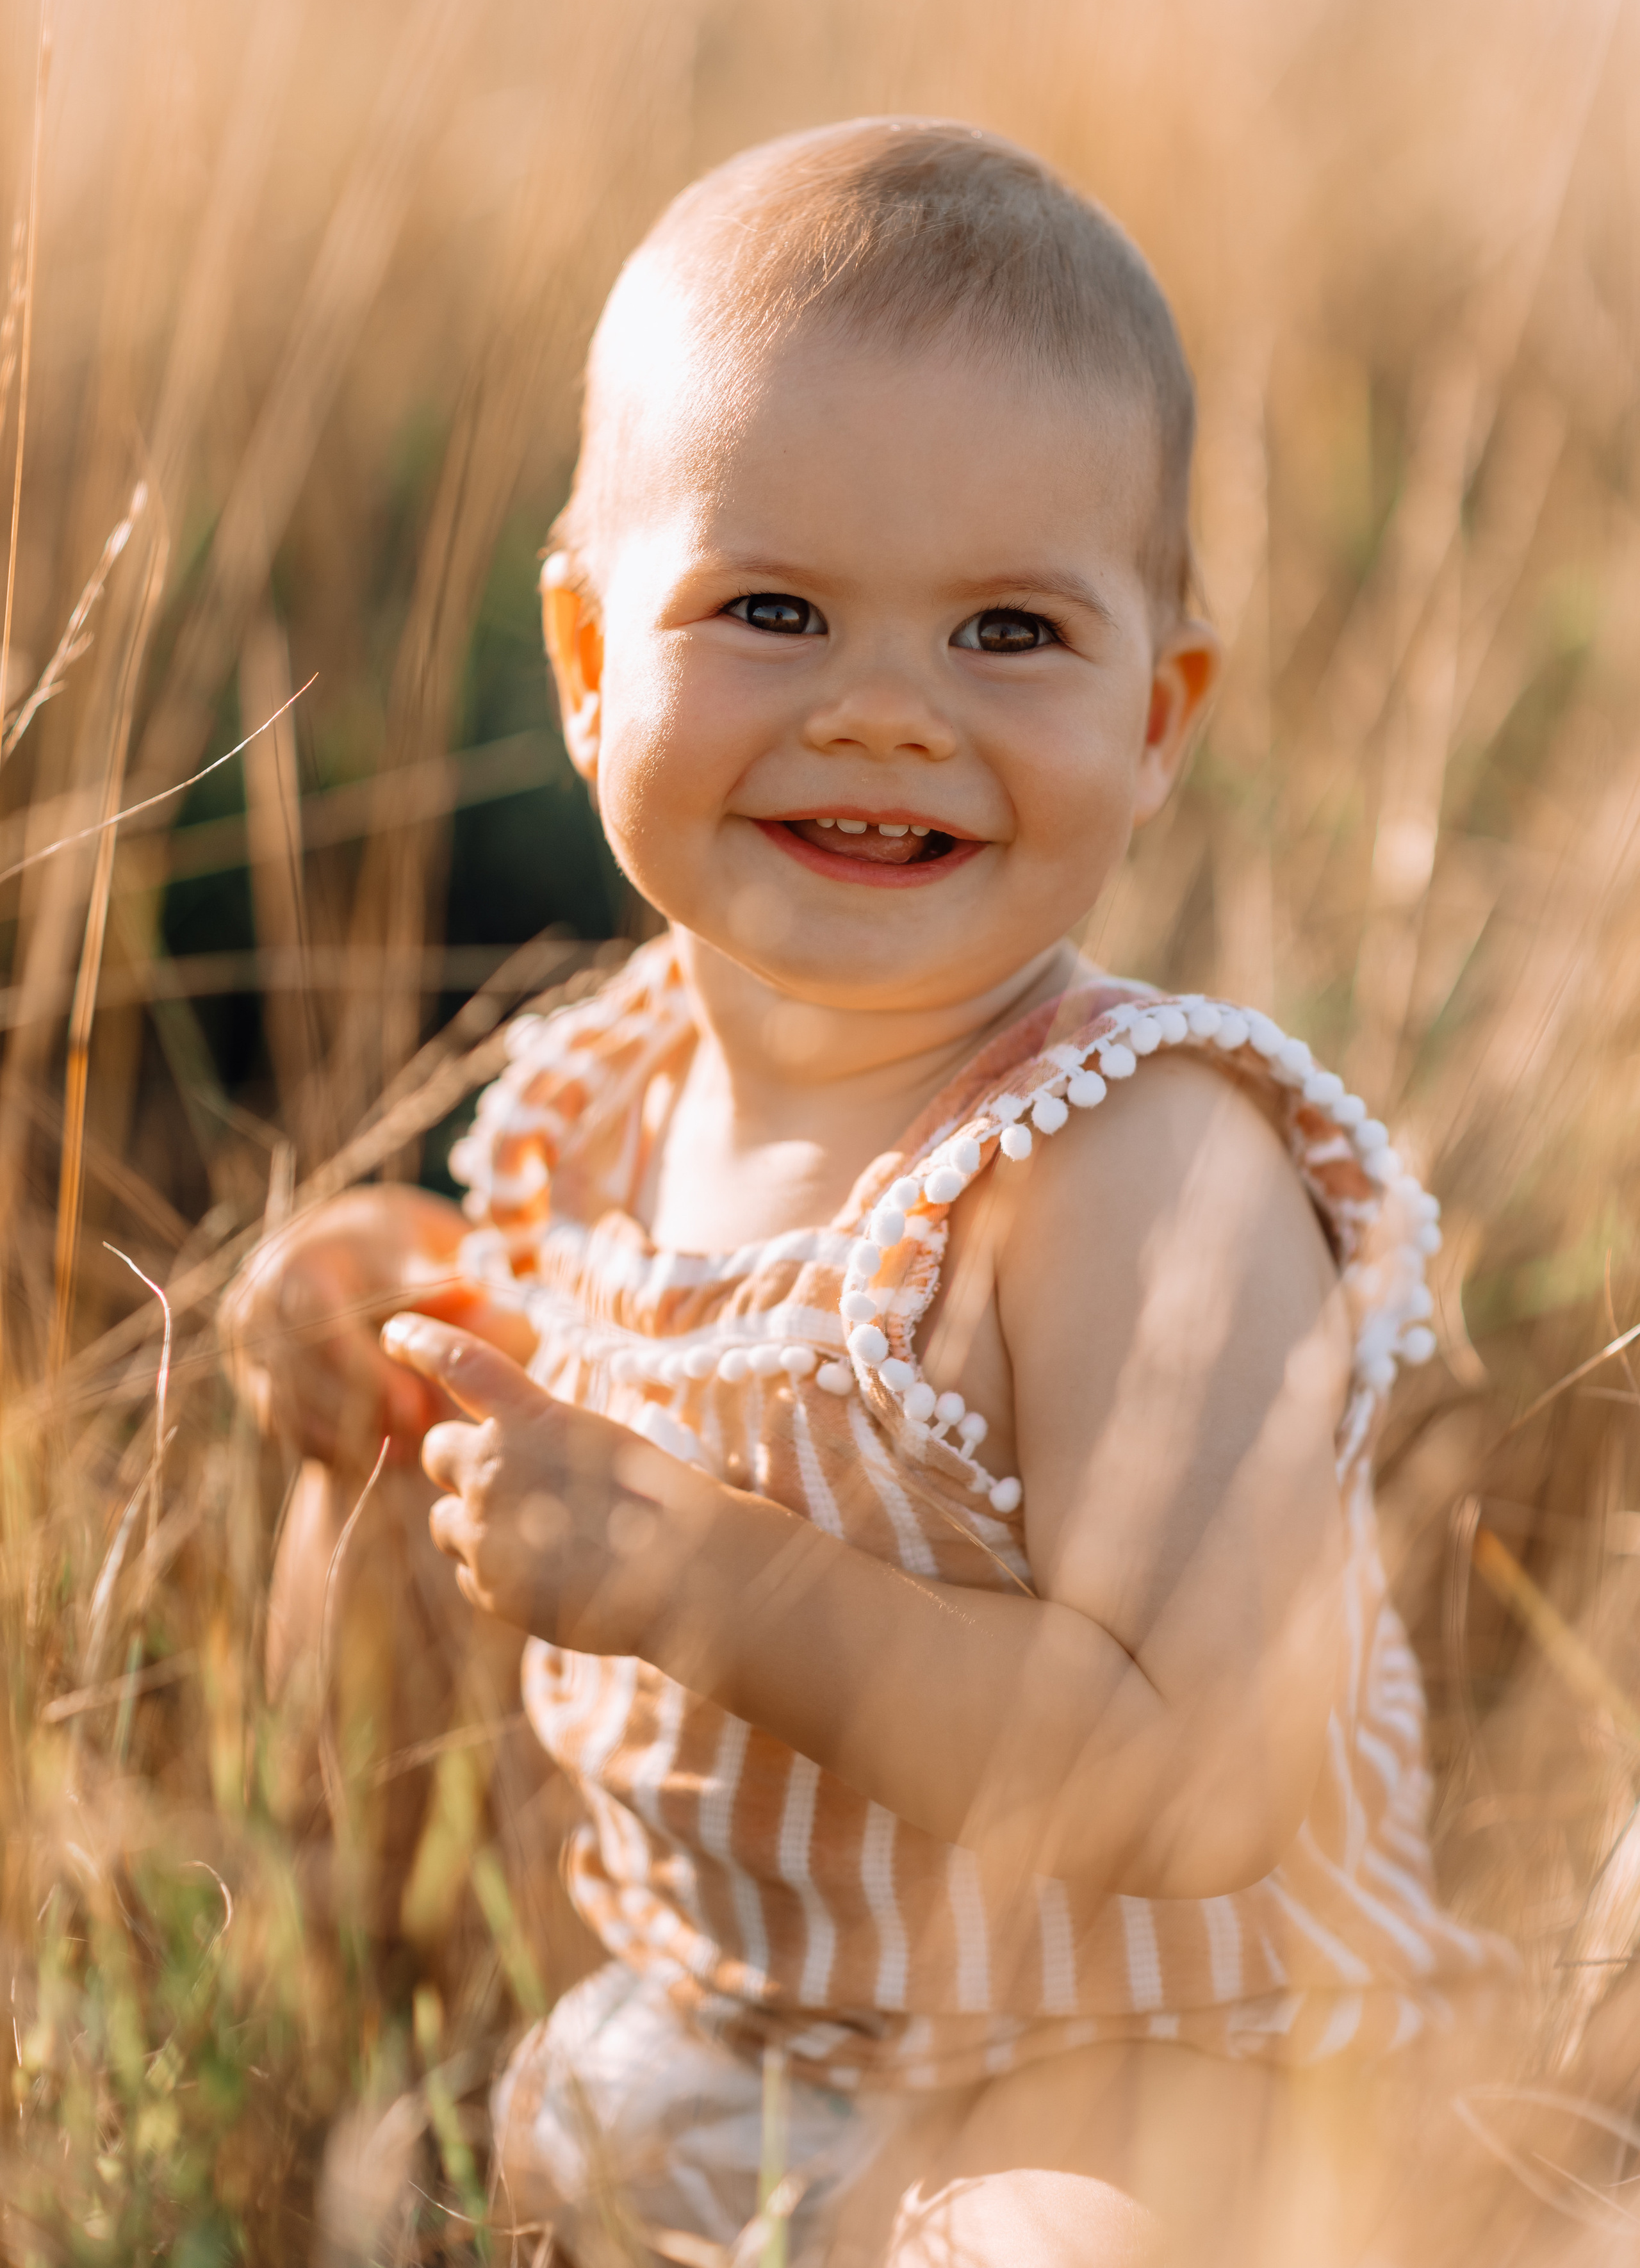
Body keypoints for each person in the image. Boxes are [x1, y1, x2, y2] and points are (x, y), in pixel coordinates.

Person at [227, 120, 1513, 2265]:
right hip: (759, 2045)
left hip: (1172, 2072)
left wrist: (697, 1578)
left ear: (1161, 710)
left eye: (1009, 630)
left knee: (1045, 2240)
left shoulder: (1132, 1159)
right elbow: (604, 1474)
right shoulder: (603, 1104)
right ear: (582, 658)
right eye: (774, 608)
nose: (888, 715)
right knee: (525, 2129)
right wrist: (396, 1351)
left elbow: (1207, 1785)